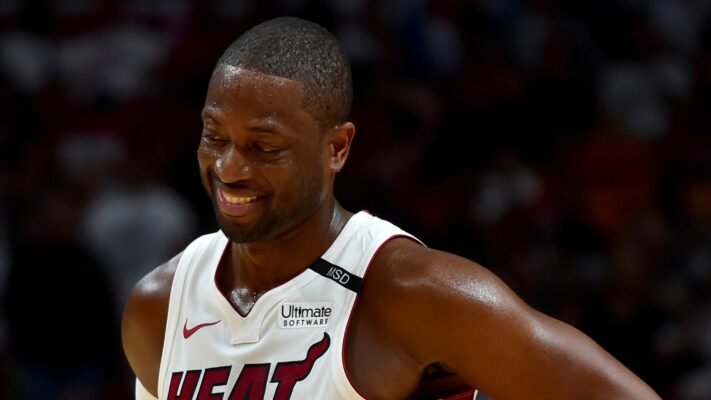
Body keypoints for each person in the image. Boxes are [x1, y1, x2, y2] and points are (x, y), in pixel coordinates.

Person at [121, 17, 661, 400]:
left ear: (337, 148)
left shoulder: (412, 293)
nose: (229, 168)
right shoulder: (159, 307)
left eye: (264, 147)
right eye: (215, 136)